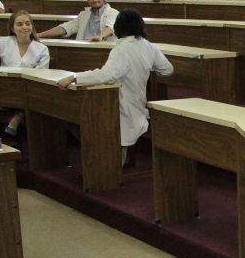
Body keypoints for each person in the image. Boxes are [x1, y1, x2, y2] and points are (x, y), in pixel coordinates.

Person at [56, 9, 174, 164]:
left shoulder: (122, 49)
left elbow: (106, 75)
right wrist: (146, 66)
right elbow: (167, 69)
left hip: (119, 106)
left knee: (77, 115)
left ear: (119, 27)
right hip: (137, 104)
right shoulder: (149, 46)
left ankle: (109, 162)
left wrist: (75, 77)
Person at [0, 10, 50, 137]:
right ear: (12, 28)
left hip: (29, 90)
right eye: (20, 24)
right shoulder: (4, 42)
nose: (24, 27)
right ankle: (18, 114)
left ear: (32, 26)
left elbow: (42, 74)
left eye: (27, 24)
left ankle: (19, 115)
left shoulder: (42, 49)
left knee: (32, 97)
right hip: (5, 89)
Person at [38, 0, 118, 42]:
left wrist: (100, 36)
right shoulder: (83, 15)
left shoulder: (113, 13)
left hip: (102, 51)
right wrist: (40, 35)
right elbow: (65, 28)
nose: (94, 0)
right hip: (82, 50)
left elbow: (110, 27)